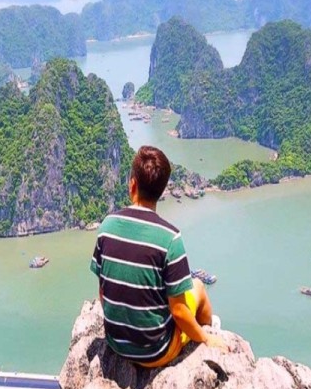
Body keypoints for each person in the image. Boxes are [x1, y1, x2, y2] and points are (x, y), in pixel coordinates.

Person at [90, 145, 228, 368]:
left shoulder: (106, 226)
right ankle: (209, 331)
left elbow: (103, 292)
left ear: (132, 184)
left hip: (115, 342)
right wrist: (206, 338)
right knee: (199, 287)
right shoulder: (170, 238)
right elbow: (179, 311)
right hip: (155, 351)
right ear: (162, 191)